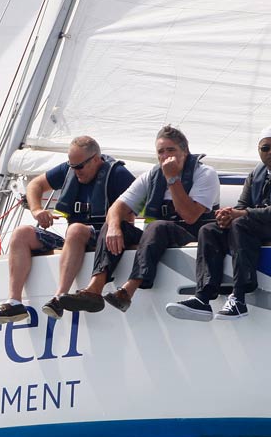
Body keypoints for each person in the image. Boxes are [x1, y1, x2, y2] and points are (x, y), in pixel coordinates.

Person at [61, 125, 220, 314]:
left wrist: (172, 180)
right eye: (161, 152)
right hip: (156, 238)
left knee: (157, 227)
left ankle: (128, 290)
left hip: (191, 235)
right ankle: (95, 288)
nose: (165, 156)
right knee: (116, 223)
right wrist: (113, 227)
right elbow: (117, 208)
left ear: (185, 152)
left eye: (171, 150)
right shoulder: (151, 176)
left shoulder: (205, 174)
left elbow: (190, 215)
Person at [167, 124, 271, 321]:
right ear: (259, 151)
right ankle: (202, 298)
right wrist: (226, 215)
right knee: (209, 230)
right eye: (265, 148)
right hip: (261, 228)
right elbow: (242, 205)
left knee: (240, 224)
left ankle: (238, 298)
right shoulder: (256, 174)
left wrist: (240, 214)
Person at [0, 136, 135, 323]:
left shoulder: (118, 174)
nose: (75, 171)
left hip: (101, 238)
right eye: (72, 166)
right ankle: (14, 302)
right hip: (73, 239)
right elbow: (35, 185)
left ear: (96, 159)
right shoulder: (69, 170)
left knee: (75, 230)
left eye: (79, 166)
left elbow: (132, 214)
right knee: (21, 234)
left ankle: (59, 298)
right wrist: (37, 209)